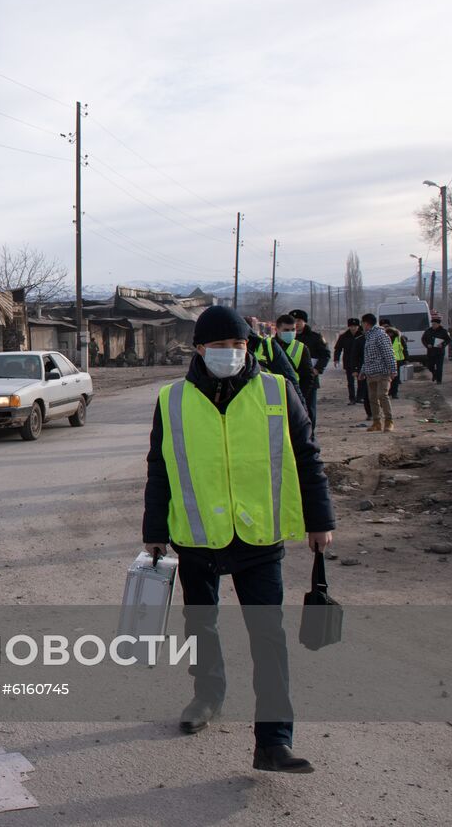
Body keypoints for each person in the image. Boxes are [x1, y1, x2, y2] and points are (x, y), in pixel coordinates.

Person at [143, 305, 335, 773]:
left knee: (268, 637)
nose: (231, 354)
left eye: (238, 345)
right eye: (220, 347)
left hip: (258, 538)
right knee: (201, 626)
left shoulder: (277, 391)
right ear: (199, 349)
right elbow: (160, 466)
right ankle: (207, 697)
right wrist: (154, 531)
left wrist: (319, 519)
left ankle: (274, 740)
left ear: (249, 346)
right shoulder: (172, 399)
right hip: (199, 538)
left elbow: (308, 458)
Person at [289, 309, 329, 428]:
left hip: (309, 378)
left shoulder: (315, 337)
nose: (296, 323)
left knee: (309, 407)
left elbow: (325, 355)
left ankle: (310, 432)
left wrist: (317, 369)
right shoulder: (286, 338)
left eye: (299, 321)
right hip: (290, 378)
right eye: (293, 321)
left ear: (305, 322)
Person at [359, 313, 396, 432]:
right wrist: (363, 371)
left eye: (362, 323)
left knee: (382, 395)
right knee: (373, 398)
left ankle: (389, 421)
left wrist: (393, 369)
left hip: (382, 372)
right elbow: (367, 356)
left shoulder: (380, 335)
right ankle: (376, 422)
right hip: (370, 374)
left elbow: (388, 353)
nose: (362, 325)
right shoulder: (368, 336)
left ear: (366, 323)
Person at [332, 318, 363, 404]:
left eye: (355, 326)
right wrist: (336, 359)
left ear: (358, 326)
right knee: (350, 382)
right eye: (351, 326)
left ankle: (360, 397)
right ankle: (352, 399)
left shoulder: (363, 335)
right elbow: (338, 348)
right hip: (348, 361)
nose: (353, 328)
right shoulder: (343, 336)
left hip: (360, 361)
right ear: (348, 327)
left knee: (361, 380)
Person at [381, 318, 408, 399]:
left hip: (397, 360)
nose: (385, 328)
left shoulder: (399, 337)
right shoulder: (381, 337)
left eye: (386, 326)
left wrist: (406, 359)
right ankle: (388, 392)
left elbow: (404, 348)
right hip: (385, 361)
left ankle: (394, 393)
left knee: (395, 378)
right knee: (387, 378)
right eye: (383, 327)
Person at [421, 315, 452, 384]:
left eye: (435, 324)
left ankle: (439, 380)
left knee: (439, 367)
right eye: (432, 324)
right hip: (430, 351)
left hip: (439, 352)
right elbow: (423, 339)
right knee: (430, 366)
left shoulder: (443, 331)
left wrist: (443, 344)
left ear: (438, 324)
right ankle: (434, 374)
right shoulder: (428, 331)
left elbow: (448, 340)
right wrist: (427, 345)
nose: (433, 325)